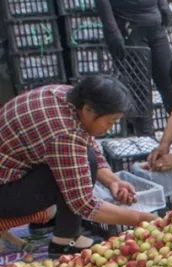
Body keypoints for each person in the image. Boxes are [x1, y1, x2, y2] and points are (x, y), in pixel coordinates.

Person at [0, 76, 158, 256]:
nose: (110, 128)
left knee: (82, 158)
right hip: (5, 192)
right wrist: (140, 219)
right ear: (88, 110)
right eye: (111, 121)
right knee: (76, 167)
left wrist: (113, 181)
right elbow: (83, 203)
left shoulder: (65, 95)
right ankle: (65, 241)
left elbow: (86, 141)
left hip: (13, 173)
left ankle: (48, 224)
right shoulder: (65, 134)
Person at [96, 0, 172, 136]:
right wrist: (112, 31)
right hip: (130, 26)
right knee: (140, 89)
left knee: (171, 83)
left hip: (155, 25)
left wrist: (163, 5)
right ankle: (146, 138)